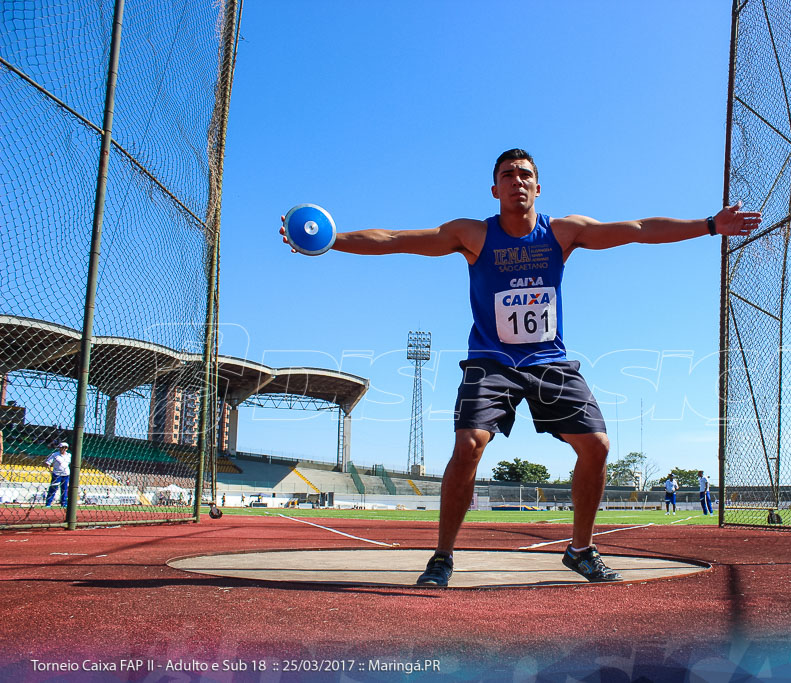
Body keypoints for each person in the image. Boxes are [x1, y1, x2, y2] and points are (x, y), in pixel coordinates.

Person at [281, 149, 761, 586]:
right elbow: (396, 240)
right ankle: (442, 558)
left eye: (526, 174)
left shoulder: (562, 232)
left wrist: (709, 225)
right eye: (507, 175)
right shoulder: (472, 234)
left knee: (597, 445)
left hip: (549, 361)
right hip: (492, 361)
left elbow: (636, 230)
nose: (517, 180)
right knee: (468, 445)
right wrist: (330, 239)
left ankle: (580, 549)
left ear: (538, 186)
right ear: (494, 189)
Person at [44, 441, 72, 508]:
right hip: (56, 474)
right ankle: (48, 503)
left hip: (66, 474)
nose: (64, 449)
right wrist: (51, 471)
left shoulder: (69, 455)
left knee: (64, 489)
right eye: (62, 447)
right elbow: (48, 463)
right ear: (59, 448)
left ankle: (64, 503)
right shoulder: (55, 455)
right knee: (53, 488)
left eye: (65, 447)